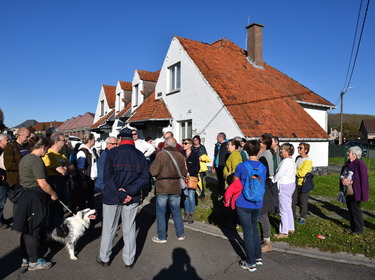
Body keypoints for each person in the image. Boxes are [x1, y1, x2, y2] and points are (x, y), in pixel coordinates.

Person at [97, 128, 149, 268]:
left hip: (112, 196)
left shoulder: (112, 153)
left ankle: (105, 258)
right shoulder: (140, 155)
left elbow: (107, 177)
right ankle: (129, 261)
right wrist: (129, 192)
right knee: (129, 228)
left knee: (109, 227)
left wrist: (121, 193)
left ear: (120, 138)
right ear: (132, 139)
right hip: (131, 197)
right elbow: (145, 178)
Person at [12, 136, 58, 271]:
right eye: (47, 148)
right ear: (43, 147)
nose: (47, 151)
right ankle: (33, 261)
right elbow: (43, 184)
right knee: (32, 230)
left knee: (26, 228)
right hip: (34, 197)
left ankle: (25, 257)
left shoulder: (25, 157)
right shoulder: (36, 160)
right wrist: (53, 194)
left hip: (25, 195)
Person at [233, 140, 266, 272]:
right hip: (257, 202)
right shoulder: (263, 167)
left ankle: (250, 262)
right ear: (258, 151)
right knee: (255, 229)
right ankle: (258, 257)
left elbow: (235, 183)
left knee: (247, 232)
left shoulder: (241, 166)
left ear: (246, 151)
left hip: (243, 202)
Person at [150, 137, 187, 243]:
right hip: (175, 186)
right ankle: (180, 234)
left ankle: (162, 237)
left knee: (161, 211)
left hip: (163, 186)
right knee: (176, 211)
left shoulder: (161, 154)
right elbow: (184, 172)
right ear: (175, 146)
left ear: (165, 145)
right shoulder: (180, 155)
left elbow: (154, 171)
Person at [42, 132, 75, 227]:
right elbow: (62, 172)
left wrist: (65, 168)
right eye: (63, 140)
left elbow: (72, 167)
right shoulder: (50, 154)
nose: (65, 142)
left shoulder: (61, 155)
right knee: (55, 209)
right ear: (56, 142)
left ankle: (59, 228)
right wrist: (66, 167)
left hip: (62, 184)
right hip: (54, 184)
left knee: (62, 208)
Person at [340, 146, 369, 235]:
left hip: (356, 190)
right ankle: (352, 227)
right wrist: (343, 179)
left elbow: (362, 178)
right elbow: (344, 173)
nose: (347, 154)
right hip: (348, 190)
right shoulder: (348, 163)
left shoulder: (360, 164)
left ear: (355, 155)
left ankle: (358, 230)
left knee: (355, 210)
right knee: (350, 209)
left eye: (349, 152)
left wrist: (350, 181)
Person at [272, 143, 296, 239]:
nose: (280, 151)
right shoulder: (291, 161)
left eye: (282, 149)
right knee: (288, 207)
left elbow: (279, 174)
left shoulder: (286, 162)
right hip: (290, 184)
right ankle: (290, 227)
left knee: (283, 209)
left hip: (284, 185)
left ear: (288, 151)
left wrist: (273, 180)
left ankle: (283, 231)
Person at [258, 134, 275, 252]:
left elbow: (262, 174)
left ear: (264, 144)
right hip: (265, 185)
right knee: (261, 214)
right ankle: (264, 238)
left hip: (263, 187)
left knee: (262, 214)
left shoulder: (264, 156)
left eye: (260, 141)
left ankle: (267, 241)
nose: (258, 143)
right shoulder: (266, 154)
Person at [74, 133, 98, 211]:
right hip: (86, 180)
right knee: (83, 201)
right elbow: (80, 168)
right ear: (90, 140)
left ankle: (91, 217)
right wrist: (84, 181)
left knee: (91, 199)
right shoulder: (82, 152)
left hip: (91, 179)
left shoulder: (92, 150)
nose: (95, 140)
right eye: (94, 138)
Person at [292, 143, 313, 225]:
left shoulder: (308, 161)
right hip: (295, 182)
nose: (298, 149)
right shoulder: (298, 158)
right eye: (298, 147)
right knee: (293, 200)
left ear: (306, 150)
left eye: (301, 148)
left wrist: (295, 171)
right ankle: (293, 215)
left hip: (303, 184)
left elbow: (302, 173)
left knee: (303, 201)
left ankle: (303, 217)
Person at [181, 139, 200, 224]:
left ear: (190, 145)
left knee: (191, 196)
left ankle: (191, 214)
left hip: (192, 178)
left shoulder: (195, 155)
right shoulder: (182, 154)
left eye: (185, 143)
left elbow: (197, 167)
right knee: (185, 196)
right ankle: (186, 213)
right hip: (184, 178)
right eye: (183, 143)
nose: (183, 145)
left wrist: (190, 172)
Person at [213, 132, 229, 197]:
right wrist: (213, 166)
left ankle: (223, 193)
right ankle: (220, 192)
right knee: (219, 180)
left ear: (220, 137)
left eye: (217, 137)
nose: (216, 138)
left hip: (223, 165)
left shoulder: (226, 145)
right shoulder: (217, 145)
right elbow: (215, 156)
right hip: (217, 165)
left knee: (224, 181)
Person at [192, 135, 208, 199]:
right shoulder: (192, 147)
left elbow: (205, 155)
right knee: (194, 180)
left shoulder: (202, 147)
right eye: (194, 140)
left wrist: (201, 158)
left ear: (199, 140)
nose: (195, 141)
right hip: (193, 166)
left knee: (200, 180)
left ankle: (202, 194)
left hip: (200, 166)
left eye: (196, 140)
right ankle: (195, 193)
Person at [0, 134, 10, 229]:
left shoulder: (4, 150)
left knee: (2, 201)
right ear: (1, 141)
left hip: (5, 180)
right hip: (1, 182)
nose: (9, 141)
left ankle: (1, 219)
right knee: (1, 202)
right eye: (7, 140)